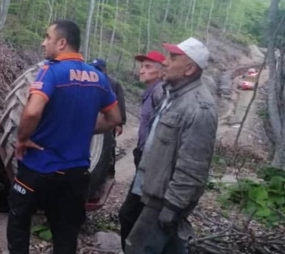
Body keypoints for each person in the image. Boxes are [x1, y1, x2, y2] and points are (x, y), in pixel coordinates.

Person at [6, 19, 122, 254]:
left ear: (61, 42)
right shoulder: (98, 78)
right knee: (66, 234)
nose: (42, 43)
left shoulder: (51, 72)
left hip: (39, 168)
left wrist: (22, 139)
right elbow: (114, 119)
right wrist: (84, 128)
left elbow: (32, 110)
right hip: (75, 175)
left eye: (47, 37)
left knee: (19, 223)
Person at [125, 37, 218, 254]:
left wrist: (172, 207)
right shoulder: (173, 96)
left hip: (165, 201)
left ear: (189, 69)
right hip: (155, 194)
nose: (165, 62)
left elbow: (193, 167)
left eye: (172, 57)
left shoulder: (199, 108)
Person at [117, 50, 166, 251]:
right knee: (136, 213)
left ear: (162, 72)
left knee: (129, 213)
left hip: (151, 161)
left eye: (148, 67)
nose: (141, 70)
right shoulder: (151, 92)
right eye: (142, 66)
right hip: (143, 157)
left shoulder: (160, 92)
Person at [89, 58, 127, 178]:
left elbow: (119, 102)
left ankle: (110, 171)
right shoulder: (88, 80)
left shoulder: (113, 83)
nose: (96, 71)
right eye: (94, 68)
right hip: (93, 119)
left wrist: (120, 123)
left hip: (108, 120)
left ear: (105, 70)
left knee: (110, 145)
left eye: (99, 69)